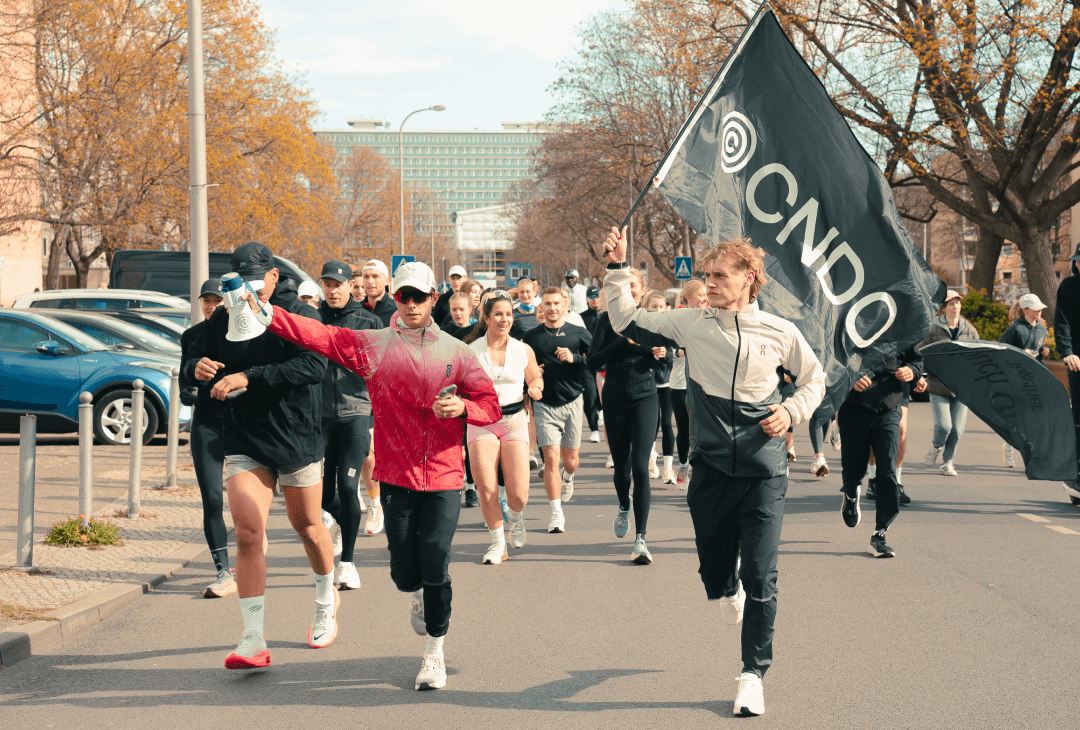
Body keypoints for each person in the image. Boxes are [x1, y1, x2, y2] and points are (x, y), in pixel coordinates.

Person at [241, 260, 501, 690]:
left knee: (436, 561)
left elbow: (489, 404)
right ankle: (416, 591)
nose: (412, 304)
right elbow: (322, 336)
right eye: (404, 296)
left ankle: (434, 652)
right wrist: (269, 314)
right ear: (394, 299)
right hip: (397, 475)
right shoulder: (375, 346)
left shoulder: (457, 352)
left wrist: (465, 408)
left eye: (420, 296)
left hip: (444, 475)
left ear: (433, 299)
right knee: (404, 574)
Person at [602, 226, 825, 717]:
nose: (710, 283)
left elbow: (814, 379)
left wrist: (791, 413)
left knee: (763, 575)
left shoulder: (780, 331)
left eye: (720, 275)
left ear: (750, 278)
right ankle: (726, 588)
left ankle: (752, 675)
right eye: (706, 275)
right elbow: (624, 319)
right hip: (710, 470)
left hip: (764, 468)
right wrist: (619, 268)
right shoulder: (692, 323)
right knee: (715, 572)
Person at [183, 241, 334, 669]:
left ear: (273, 276)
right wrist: (198, 366)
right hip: (245, 439)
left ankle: (325, 599)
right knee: (249, 534)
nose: (250, 293)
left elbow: (314, 367)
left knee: (307, 525)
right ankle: (252, 638)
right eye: (242, 285)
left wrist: (249, 376)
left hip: (296, 435)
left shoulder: (301, 315)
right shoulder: (226, 315)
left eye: (257, 284)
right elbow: (194, 352)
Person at [590, 277, 673, 564]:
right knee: (622, 469)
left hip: (645, 397)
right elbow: (592, 361)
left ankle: (641, 540)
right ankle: (623, 504)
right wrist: (622, 343)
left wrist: (664, 354)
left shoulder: (649, 318)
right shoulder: (605, 320)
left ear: (641, 289)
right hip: (614, 398)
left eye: (633, 285)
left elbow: (667, 358)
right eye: (621, 285)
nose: (627, 289)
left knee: (641, 466)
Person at [315, 261, 384, 588]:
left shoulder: (367, 320)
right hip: (320, 419)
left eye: (337, 284)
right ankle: (345, 522)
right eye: (327, 284)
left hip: (357, 414)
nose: (332, 290)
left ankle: (348, 565)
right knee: (324, 497)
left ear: (349, 285)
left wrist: (373, 420)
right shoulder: (314, 318)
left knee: (347, 485)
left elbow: (382, 371)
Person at [464, 291, 544, 563]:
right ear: (486, 318)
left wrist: (535, 387)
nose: (504, 319)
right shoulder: (470, 351)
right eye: (498, 314)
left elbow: (534, 376)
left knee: (519, 495)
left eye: (509, 314)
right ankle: (498, 544)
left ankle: (517, 515)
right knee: (486, 488)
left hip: (513, 421)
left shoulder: (523, 349)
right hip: (481, 422)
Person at [838, 344, 924, 558]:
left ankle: (880, 535)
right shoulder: (851, 322)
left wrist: (912, 371)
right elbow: (832, 357)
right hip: (854, 407)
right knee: (853, 467)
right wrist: (850, 376)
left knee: (887, 471)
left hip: (888, 407)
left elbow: (915, 360)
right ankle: (850, 494)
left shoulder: (899, 328)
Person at [522, 286, 593, 534]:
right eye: (547, 304)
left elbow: (597, 361)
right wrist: (532, 376)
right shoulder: (531, 337)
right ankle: (556, 513)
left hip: (573, 400)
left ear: (564, 305)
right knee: (551, 459)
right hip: (544, 404)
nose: (552, 308)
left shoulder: (579, 333)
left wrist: (576, 358)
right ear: (541, 308)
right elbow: (523, 366)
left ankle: (569, 477)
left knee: (570, 461)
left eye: (556, 304)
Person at [179, 279, 232, 598]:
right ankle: (223, 571)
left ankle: (254, 543)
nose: (211, 305)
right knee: (212, 498)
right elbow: (185, 381)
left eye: (217, 299)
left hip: (241, 423)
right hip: (207, 424)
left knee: (247, 502)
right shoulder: (192, 336)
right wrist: (191, 387)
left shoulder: (241, 333)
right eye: (206, 300)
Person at [922, 290, 979, 476]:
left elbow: (977, 357)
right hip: (938, 385)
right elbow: (919, 352)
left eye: (958, 303)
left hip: (962, 387)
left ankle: (948, 462)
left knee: (957, 429)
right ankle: (935, 446)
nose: (955, 307)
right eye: (951, 304)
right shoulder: (932, 328)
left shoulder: (969, 330)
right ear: (944, 307)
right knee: (944, 426)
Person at [998, 292, 1049, 468]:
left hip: (1034, 377)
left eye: (1040, 310)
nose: (1039, 313)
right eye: (1035, 310)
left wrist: (1043, 352)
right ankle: (1010, 447)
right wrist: (1021, 353)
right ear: (1026, 310)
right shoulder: (1015, 328)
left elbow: (1038, 349)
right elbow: (1001, 349)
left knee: (1033, 418)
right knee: (1018, 418)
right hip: (1016, 379)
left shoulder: (1042, 328)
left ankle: (1031, 455)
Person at [671, 280, 708, 487]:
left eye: (706, 295)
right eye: (701, 295)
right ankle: (684, 464)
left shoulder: (712, 316)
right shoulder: (676, 318)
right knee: (684, 428)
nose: (705, 299)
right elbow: (667, 347)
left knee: (701, 429)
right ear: (688, 298)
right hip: (679, 383)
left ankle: (698, 468)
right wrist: (678, 351)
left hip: (703, 383)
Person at [643, 290, 677, 484]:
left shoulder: (669, 327)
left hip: (667, 383)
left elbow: (676, 353)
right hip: (648, 383)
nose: (657, 309)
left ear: (667, 308)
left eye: (661, 306)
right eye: (653, 306)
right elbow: (636, 350)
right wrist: (650, 350)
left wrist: (667, 354)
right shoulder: (643, 327)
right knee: (652, 425)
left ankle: (668, 469)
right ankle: (651, 460)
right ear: (646, 307)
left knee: (666, 424)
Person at [581, 286, 602, 442]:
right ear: (587, 298)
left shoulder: (607, 316)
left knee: (603, 397)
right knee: (589, 397)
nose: (595, 298)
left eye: (598, 295)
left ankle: (601, 412)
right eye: (592, 296)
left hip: (605, 363)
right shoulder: (581, 317)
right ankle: (594, 429)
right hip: (587, 363)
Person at [360, 259, 397, 326]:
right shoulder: (355, 310)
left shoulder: (397, 311)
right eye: (366, 277)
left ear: (386, 281)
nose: (370, 281)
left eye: (375, 276)